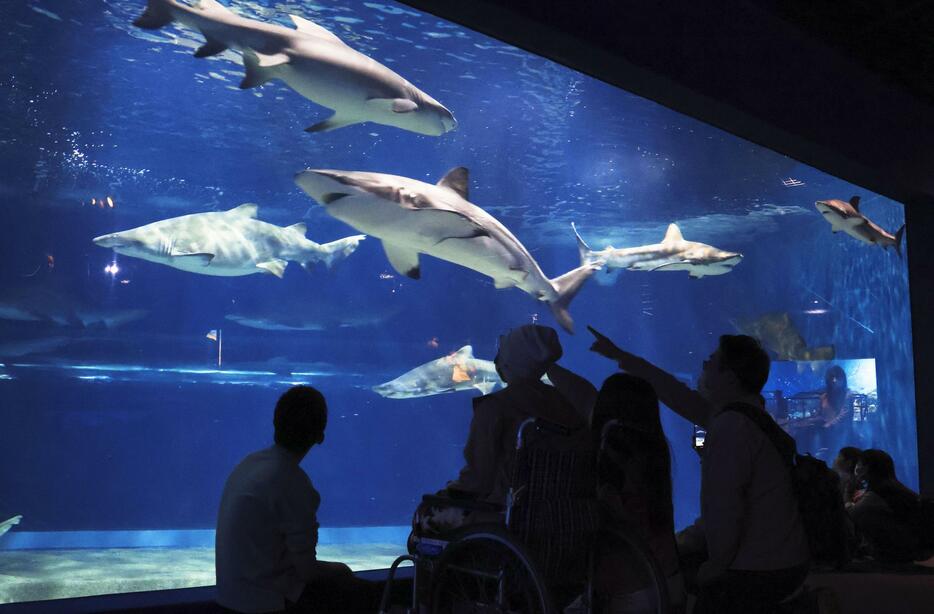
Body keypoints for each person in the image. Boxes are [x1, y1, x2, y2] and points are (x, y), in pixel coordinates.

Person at [588, 327, 809, 613]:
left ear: (728, 377)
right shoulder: (748, 417)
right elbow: (673, 393)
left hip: (762, 570)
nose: (704, 366)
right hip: (785, 560)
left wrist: (714, 567)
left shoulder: (732, 428)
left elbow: (727, 510)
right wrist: (621, 356)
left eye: (711, 361)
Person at [215, 385, 383, 613]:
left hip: (227, 597)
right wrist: (340, 568)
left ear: (276, 424)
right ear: (320, 436)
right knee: (367, 595)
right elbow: (307, 572)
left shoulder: (249, 464)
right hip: (262, 603)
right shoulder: (293, 482)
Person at [443, 324, 589, 504]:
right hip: (572, 511)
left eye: (503, 352)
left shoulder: (494, 407)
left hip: (514, 516)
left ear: (510, 360)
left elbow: (478, 476)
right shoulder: (568, 402)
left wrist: (448, 493)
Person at [590, 373, 686, 613]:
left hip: (630, 583)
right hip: (669, 578)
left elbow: (609, 511)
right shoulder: (657, 446)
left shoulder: (611, 446)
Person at [848, 448, 921, 563]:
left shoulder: (879, 492)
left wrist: (847, 496)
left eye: (858, 464)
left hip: (902, 547)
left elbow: (851, 514)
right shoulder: (896, 488)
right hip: (914, 544)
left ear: (866, 468)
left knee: (864, 516)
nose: (856, 468)